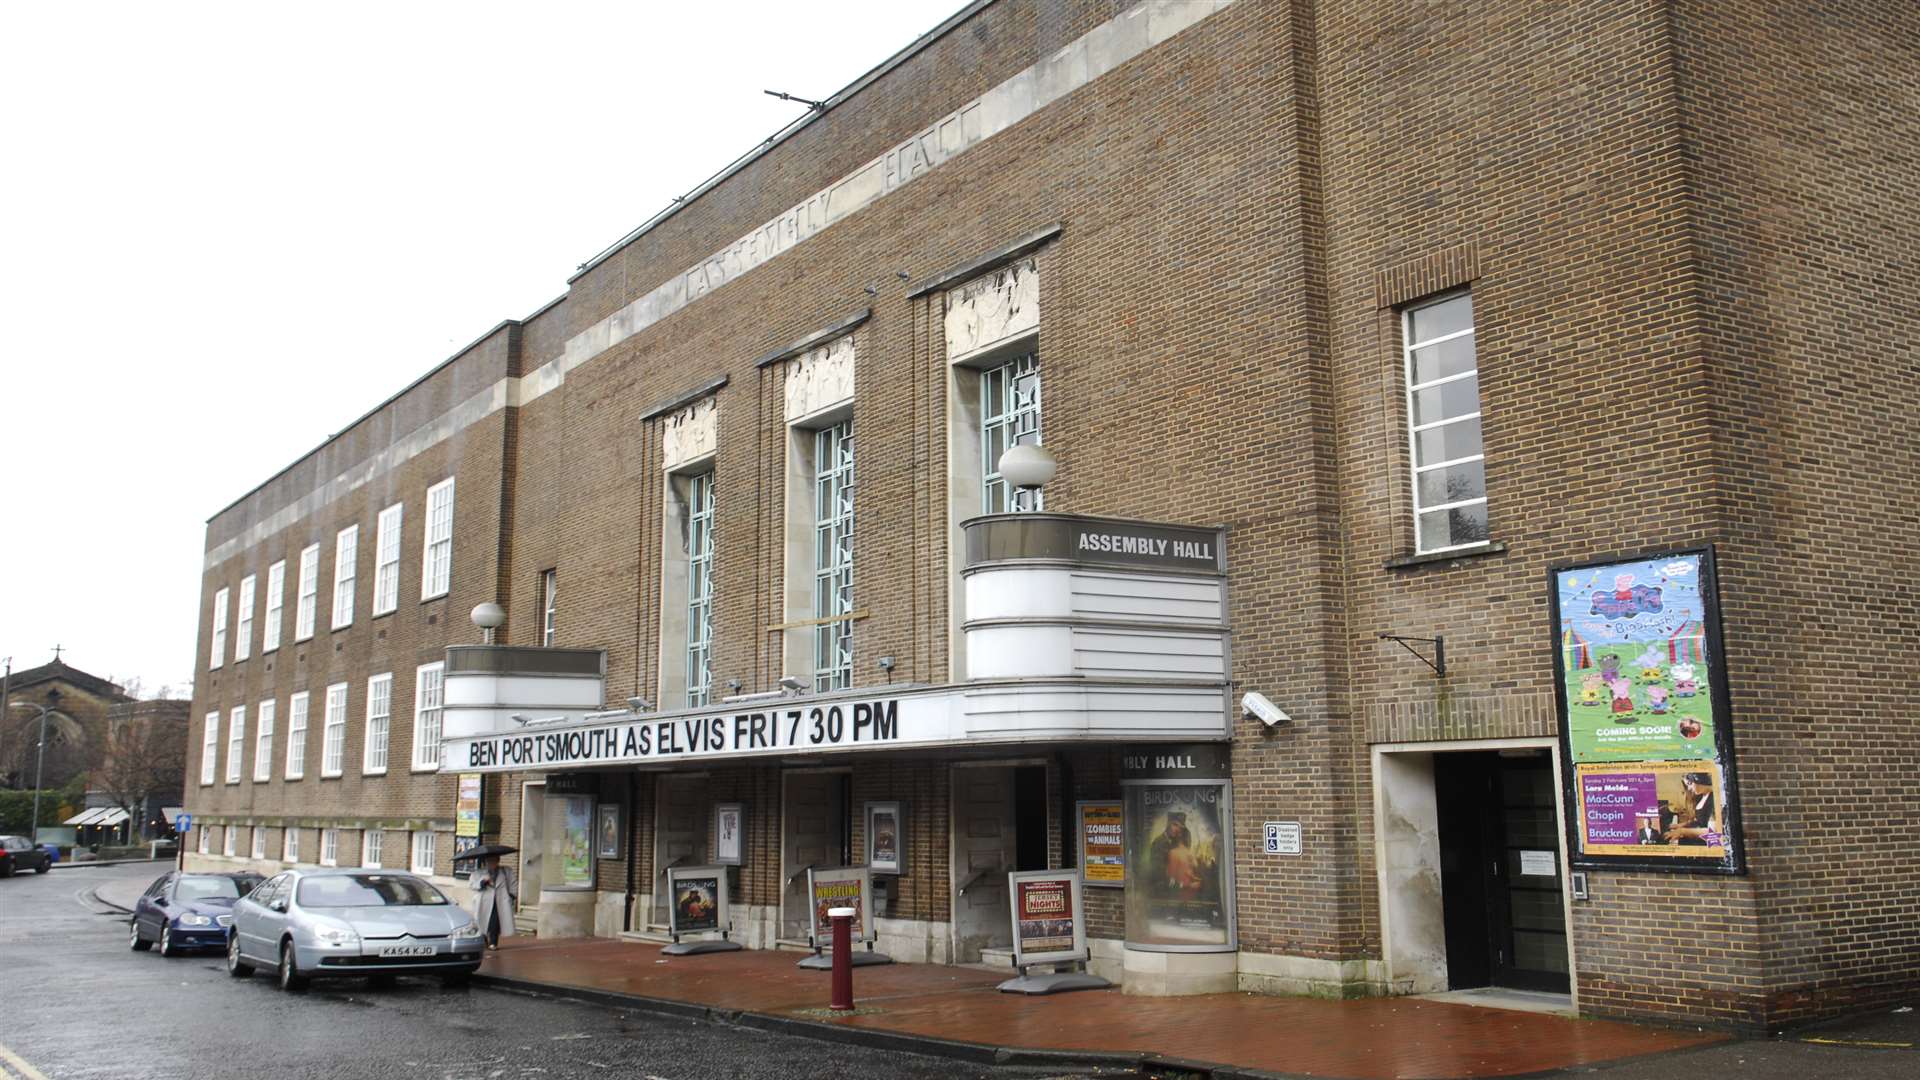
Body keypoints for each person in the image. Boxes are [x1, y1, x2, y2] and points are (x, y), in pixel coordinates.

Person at [470, 854, 518, 949]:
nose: (492, 863)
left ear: (498, 861)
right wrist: (483, 883)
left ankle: (493, 942)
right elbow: (472, 885)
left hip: (500, 901)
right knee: (482, 921)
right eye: (489, 861)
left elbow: (513, 883)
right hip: (484, 902)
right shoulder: (478, 873)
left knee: (495, 922)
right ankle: (484, 939)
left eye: (494, 861)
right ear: (485, 862)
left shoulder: (505, 871)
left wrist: (512, 896)